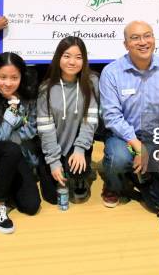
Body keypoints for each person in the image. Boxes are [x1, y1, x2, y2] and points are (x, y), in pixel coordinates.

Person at [99, 21, 159, 207]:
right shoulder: (111, 72)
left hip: (158, 135)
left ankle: (143, 175)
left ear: (154, 39)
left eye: (147, 35)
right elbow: (112, 116)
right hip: (125, 137)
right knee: (119, 158)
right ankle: (113, 185)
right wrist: (138, 146)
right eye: (135, 38)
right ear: (125, 44)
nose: (143, 42)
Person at [0, 53, 41, 233]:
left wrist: (2, 136)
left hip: (15, 150)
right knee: (9, 149)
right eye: (2, 77)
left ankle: (8, 183)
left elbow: (32, 128)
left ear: (22, 77)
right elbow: (1, 136)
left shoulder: (28, 97)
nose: (8, 83)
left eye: (14, 78)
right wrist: (12, 108)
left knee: (31, 206)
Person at [37, 37, 99, 204]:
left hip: (78, 145)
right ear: (58, 58)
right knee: (52, 197)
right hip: (54, 146)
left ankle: (82, 174)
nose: (72, 62)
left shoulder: (91, 83)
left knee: (76, 175)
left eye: (78, 57)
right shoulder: (46, 89)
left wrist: (80, 149)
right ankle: (53, 165)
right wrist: (54, 161)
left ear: (84, 60)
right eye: (67, 56)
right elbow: (45, 128)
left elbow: (90, 120)